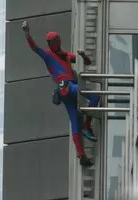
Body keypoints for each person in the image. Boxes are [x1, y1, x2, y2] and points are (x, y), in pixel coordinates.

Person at [22, 21, 100, 167]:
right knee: (94, 96)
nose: (54, 43)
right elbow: (35, 49)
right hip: (67, 88)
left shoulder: (65, 55)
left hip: (68, 89)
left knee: (75, 117)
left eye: (55, 40)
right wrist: (27, 35)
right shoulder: (48, 55)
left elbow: (87, 62)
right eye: (51, 41)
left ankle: (82, 154)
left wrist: (83, 56)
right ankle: (87, 126)